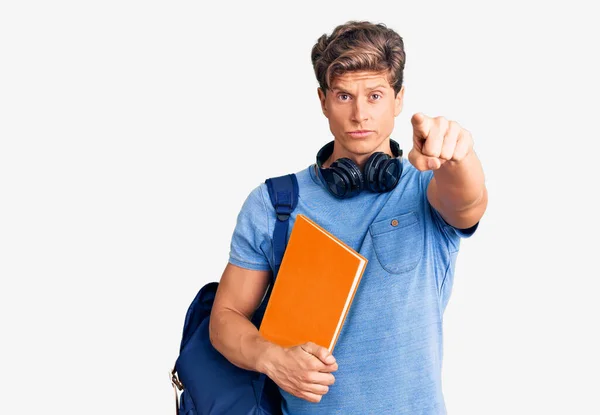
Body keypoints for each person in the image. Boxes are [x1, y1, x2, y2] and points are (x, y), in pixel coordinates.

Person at [208, 20, 487, 414]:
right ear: (322, 100)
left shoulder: (426, 187)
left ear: (399, 98)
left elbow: (468, 202)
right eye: (343, 96)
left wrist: (460, 155)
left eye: (374, 95)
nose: (360, 114)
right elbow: (225, 318)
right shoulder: (275, 204)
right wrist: (269, 357)